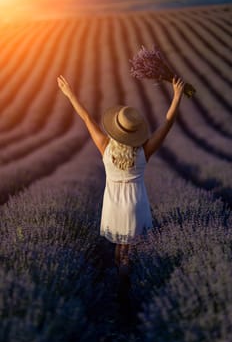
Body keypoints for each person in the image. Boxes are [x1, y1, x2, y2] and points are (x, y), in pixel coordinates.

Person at [57, 75, 185, 276]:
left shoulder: (105, 147)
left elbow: (86, 118)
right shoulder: (144, 151)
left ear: (116, 131)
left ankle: (119, 283)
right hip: (136, 205)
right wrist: (177, 96)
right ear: (136, 133)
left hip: (114, 205)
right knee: (131, 251)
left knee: (119, 247)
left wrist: (70, 94)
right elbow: (167, 124)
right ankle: (128, 287)